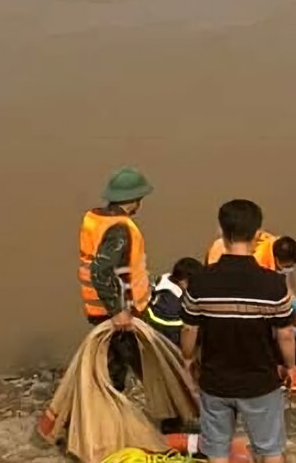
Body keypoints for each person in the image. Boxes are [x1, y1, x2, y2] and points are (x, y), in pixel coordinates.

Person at [180, 199, 296, 463]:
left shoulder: (201, 282)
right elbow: (285, 335)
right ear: (258, 235)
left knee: (216, 449)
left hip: (215, 381)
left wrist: (188, 359)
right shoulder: (273, 285)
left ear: (221, 232)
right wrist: (290, 366)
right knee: (269, 447)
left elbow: (190, 329)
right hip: (260, 382)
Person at [77, 167, 154, 392]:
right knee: (145, 367)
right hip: (119, 312)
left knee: (114, 366)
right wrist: (119, 310)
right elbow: (101, 271)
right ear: (134, 200)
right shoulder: (119, 229)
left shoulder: (95, 219)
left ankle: (106, 413)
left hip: (101, 309)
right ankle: (170, 417)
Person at [145, 257, 205, 346]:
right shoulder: (171, 305)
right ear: (183, 282)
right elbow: (177, 333)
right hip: (166, 347)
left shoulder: (158, 283)